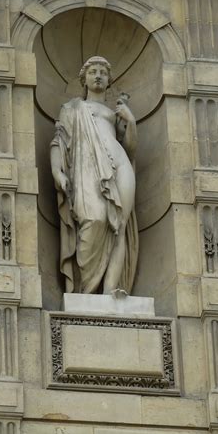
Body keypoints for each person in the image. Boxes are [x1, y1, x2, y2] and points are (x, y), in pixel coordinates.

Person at [50, 56, 138, 294]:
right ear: (84, 78)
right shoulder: (73, 108)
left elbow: (130, 149)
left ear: (109, 80)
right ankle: (84, 292)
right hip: (87, 169)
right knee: (95, 219)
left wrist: (131, 123)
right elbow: (59, 141)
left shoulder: (115, 112)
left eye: (102, 72)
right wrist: (57, 170)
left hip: (120, 167)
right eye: (93, 71)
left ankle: (111, 291)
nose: (98, 75)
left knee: (119, 227)